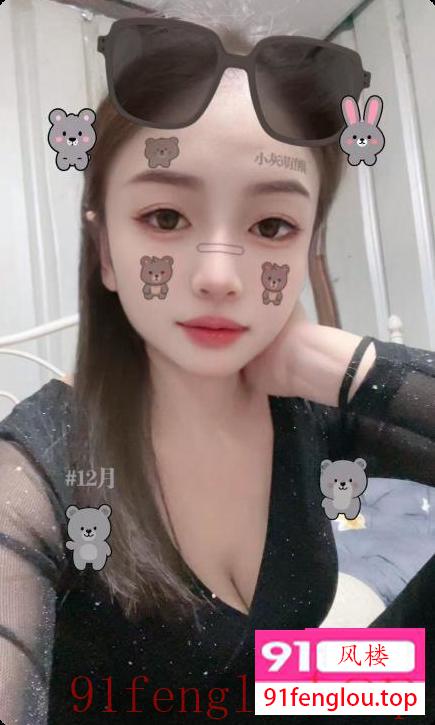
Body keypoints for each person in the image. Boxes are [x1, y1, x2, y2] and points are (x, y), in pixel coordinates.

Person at [0, 9, 434, 725]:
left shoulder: (304, 409)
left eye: (271, 226)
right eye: (166, 218)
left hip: (290, 697)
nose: (218, 276)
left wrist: (346, 365)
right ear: (105, 251)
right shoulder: (37, 474)